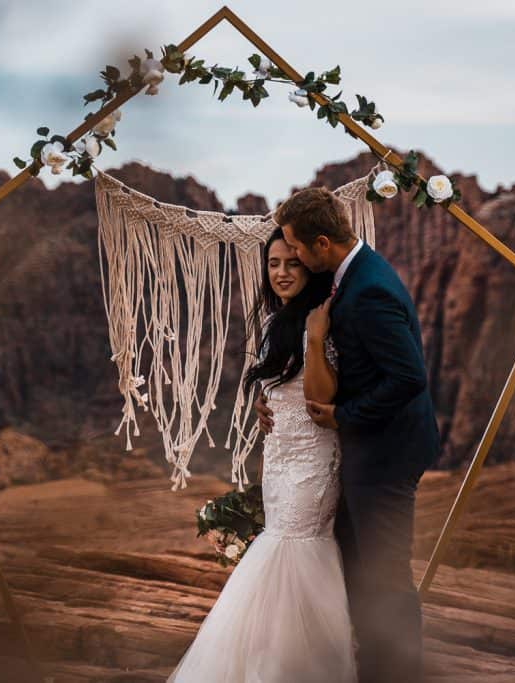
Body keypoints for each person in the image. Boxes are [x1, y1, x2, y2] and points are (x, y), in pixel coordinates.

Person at [257, 187, 440, 682]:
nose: (289, 257)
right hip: (365, 452)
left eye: (295, 247)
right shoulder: (354, 275)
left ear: (321, 243)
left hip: (385, 454)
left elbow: (408, 377)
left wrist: (343, 415)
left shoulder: (368, 290)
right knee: (361, 571)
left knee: (386, 577)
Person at [167, 227, 357, 683]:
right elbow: (282, 387)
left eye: (292, 263)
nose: (281, 272)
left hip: (313, 460)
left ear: (310, 266)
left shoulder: (323, 318)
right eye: (273, 264)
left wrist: (315, 339)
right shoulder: (277, 322)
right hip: (279, 457)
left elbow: (319, 398)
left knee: (295, 549)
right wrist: (263, 402)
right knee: (279, 546)